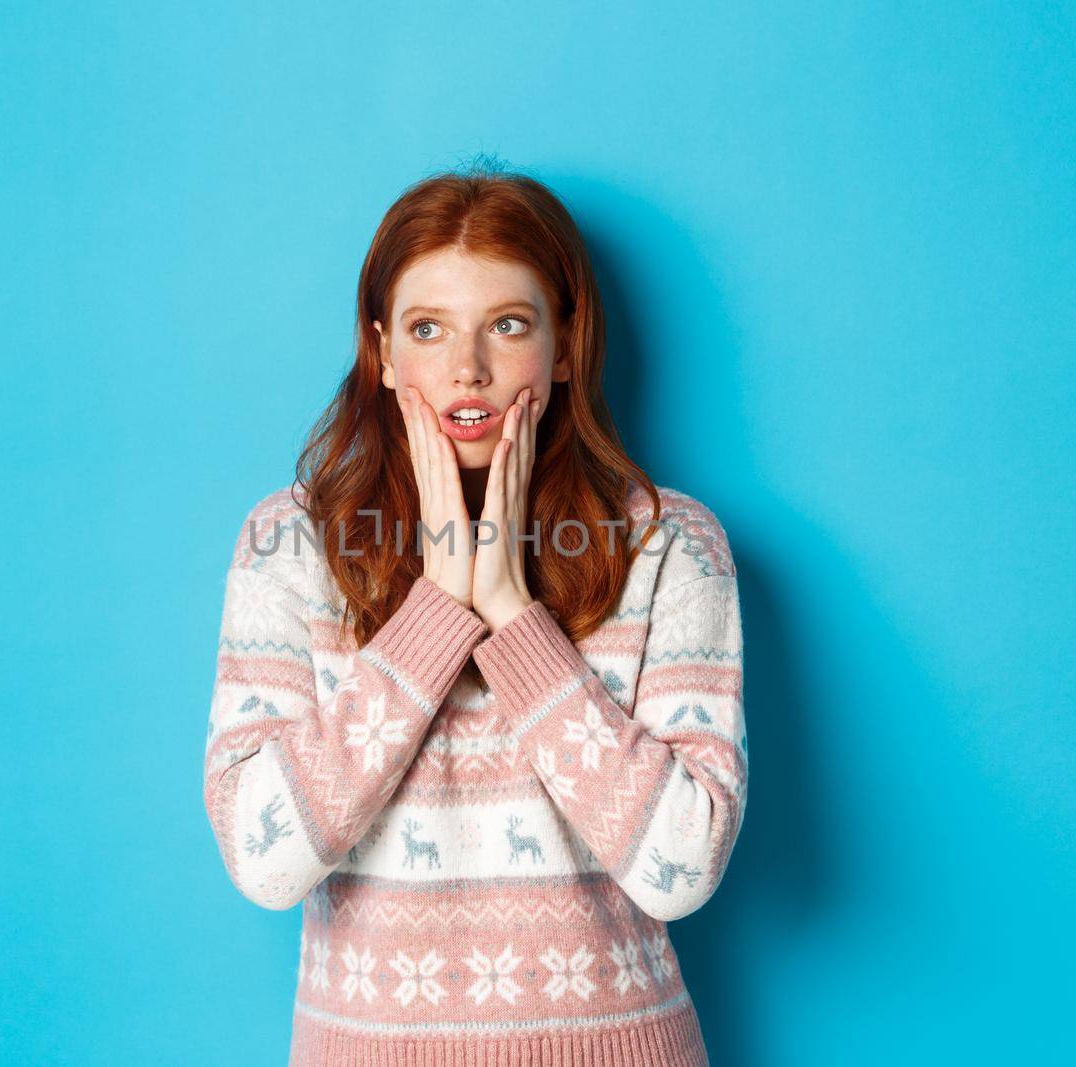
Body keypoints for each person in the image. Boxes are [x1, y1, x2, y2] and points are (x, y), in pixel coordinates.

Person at [203, 161, 746, 1066]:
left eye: (507, 324)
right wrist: (435, 612)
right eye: (428, 328)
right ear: (380, 350)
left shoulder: (672, 547)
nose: (467, 368)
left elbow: (679, 869)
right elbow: (266, 863)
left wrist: (509, 610)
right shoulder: (287, 545)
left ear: (564, 346)